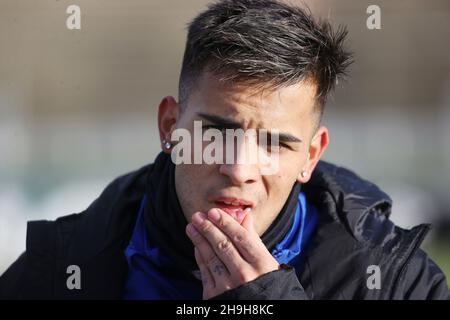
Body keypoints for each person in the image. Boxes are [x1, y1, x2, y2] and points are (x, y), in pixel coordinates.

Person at [1, 0, 449, 300]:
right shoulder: (63, 268)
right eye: (217, 133)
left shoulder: (393, 280)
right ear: (169, 127)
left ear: (311, 157)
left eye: (275, 143)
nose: (239, 169)